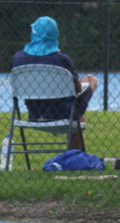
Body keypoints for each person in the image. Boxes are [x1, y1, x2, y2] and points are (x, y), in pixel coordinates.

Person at [11, 16, 97, 151]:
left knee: (76, 112)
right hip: (63, 113)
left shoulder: (18, 59)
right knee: (91, 80)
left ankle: (73, 141)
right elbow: (77, 89)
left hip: (35, 114)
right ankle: (74, 155)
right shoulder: (62, 60)